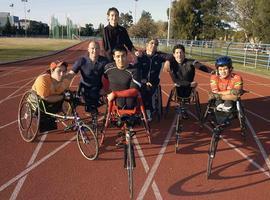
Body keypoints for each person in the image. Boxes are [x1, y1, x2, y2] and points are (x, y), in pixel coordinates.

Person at [164, 44, 210, 118]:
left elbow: (201, 66)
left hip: (190, 89)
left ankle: (183, 108)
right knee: (178, 87)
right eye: (177, 53)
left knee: (187, 91)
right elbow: (175, 80)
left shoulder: (190, 62)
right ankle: (182, 107)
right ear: (174, 55)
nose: (179, 55)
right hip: (180, 87)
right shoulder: (171, 64)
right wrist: (189, 84)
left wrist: (213, 72)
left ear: (184, 54)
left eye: (181, 52)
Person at [67, 41, 109, 116]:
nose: (95, 51)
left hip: (98, 87)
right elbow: (71, 73)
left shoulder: (104, 61)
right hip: (84, 88)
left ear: (100, 50)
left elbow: (110, 75)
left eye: (97, 48)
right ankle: (91, 110)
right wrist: (62, 77)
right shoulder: (81, 60)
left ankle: (93, 110)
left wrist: (105, 88)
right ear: (88, 49)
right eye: (92, 48)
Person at [137, 38, 171, 121]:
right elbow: (135, 68)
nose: (154, 45)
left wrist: (167, 61)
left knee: (148, 89)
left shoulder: (159, 56)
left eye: (156, 44)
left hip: (153, 81)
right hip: (141, 80)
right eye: (152, 43)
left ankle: (147, 110)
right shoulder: (141, 55)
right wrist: (143, 80)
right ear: (147, 44)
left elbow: (171, 56)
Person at [31, 60, 71, 132]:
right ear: (52, 71)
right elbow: (45, 97)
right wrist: (62, 97)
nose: (62, 74)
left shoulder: (65, 81)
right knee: (43, 101)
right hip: (38, 100)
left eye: (64, 71)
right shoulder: (43, 80)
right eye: (59, 71)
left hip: (53, 100)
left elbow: (67, 93)